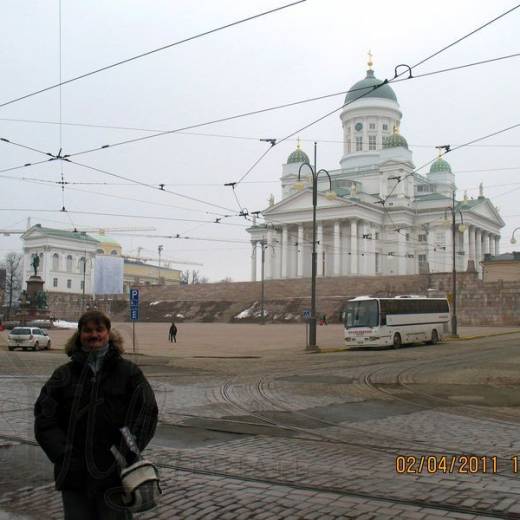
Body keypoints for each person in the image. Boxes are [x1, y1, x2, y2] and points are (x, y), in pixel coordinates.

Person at [34, 310, 158, 520]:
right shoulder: (63, 375)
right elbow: (44, 418)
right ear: (79, 334)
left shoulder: (128, 372)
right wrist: (64, 454)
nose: (94, 335)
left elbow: (147, 413)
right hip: (74, 477)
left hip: (115, 476)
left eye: (99, 330)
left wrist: (127, 449)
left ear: (108, 333)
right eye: (88, 330)